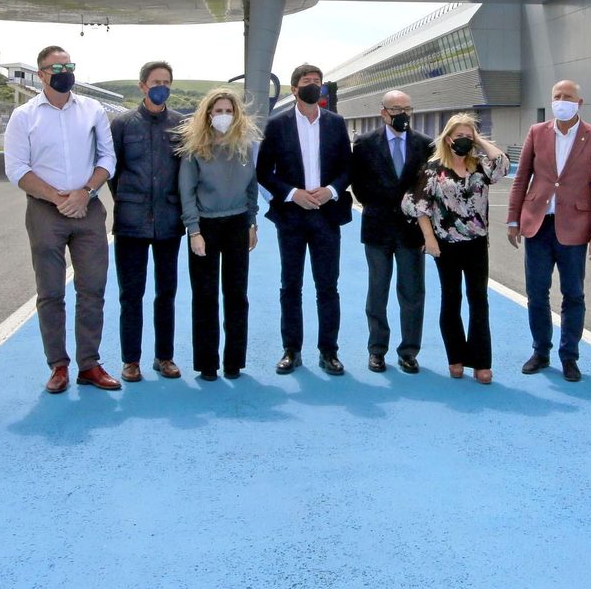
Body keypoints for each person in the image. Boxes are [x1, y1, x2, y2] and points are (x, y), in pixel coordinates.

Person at [6, 46, 120, 394]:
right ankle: (58, 365)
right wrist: (58, 198)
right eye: (55, 67)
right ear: (41, 74)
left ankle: (90, 364)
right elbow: (17, 169)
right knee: (51, 292)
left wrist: (84, 192)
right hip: (45, 209)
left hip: (87, 207)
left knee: (92, 289)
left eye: (68, 65)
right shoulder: (24, 116)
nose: (63, 71)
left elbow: (107, 157)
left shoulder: (92, 109)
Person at [506, 80, 591, 382]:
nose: (562, 100)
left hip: (576, 228)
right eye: (557, 96)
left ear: (579, 104)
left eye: (568, 97)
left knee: (574, 295)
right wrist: (513, 219)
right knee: (537, 294)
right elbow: (521, 178)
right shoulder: (536, 132)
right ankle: (541, 351)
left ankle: (569, 356)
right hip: (538, 226)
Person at [256, 64, 353, 376]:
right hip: (292, 217)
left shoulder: (336, 124)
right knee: (291, 286)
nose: (314, 86)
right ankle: (292, 350)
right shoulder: (276, 125)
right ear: (294, 89)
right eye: (307, 82)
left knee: (328, 287)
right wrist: (292, 193)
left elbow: (347, 168)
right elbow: (263, 172)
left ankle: (329, 352)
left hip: (327, 217)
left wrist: (332, 190)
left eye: (318, 82)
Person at [403, 114, 509, 384]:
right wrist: (430, 239)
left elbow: (502, 166)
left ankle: (481, 362)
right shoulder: (433, 168)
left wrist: (479, 140)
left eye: (468, 136)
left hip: (476, 244)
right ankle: (456, 358)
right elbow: (420, 206)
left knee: (478, 300)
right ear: (448, 138)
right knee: (451, 300)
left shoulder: (479, 167)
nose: (463, 140)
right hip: (445, 245)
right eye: (459, 136)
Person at [177, 87, 261, 382]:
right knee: (205, 295)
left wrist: (252, 223)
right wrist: (194, 231)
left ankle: (234, 361)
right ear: (208, 114)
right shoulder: (194, 148)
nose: (224, 116)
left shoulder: (245, 147)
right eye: (218, 111)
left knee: (237, 295)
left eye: (229, 111)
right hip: (206, 227)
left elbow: (252, 188)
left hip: (237, 224)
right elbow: (186, 192)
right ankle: (207, 363)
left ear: (236, 114)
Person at [110, 60, 185, 383]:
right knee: (131, 294)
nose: (162, 87)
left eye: (167, 82)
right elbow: (112, 171)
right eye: (156, 81)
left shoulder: (181, 124)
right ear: (142, 86)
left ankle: (164, 357)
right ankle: (131, 361)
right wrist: (130, 199)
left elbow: (185, 171)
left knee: (166, 292)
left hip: (169, 220)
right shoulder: (123, 124)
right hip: (131, 221)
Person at [349, 90, 433, 373]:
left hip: (412, 231)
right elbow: (358, 185)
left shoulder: (425, 144)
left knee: (412, 293)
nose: (402, 114)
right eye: (396, 108)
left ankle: (409, 351)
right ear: (383, 112)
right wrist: (379, 204)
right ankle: (377, 350)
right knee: (377, 291)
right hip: (377, 227)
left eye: (407, 108)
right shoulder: (363, 144)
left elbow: (428, 187)